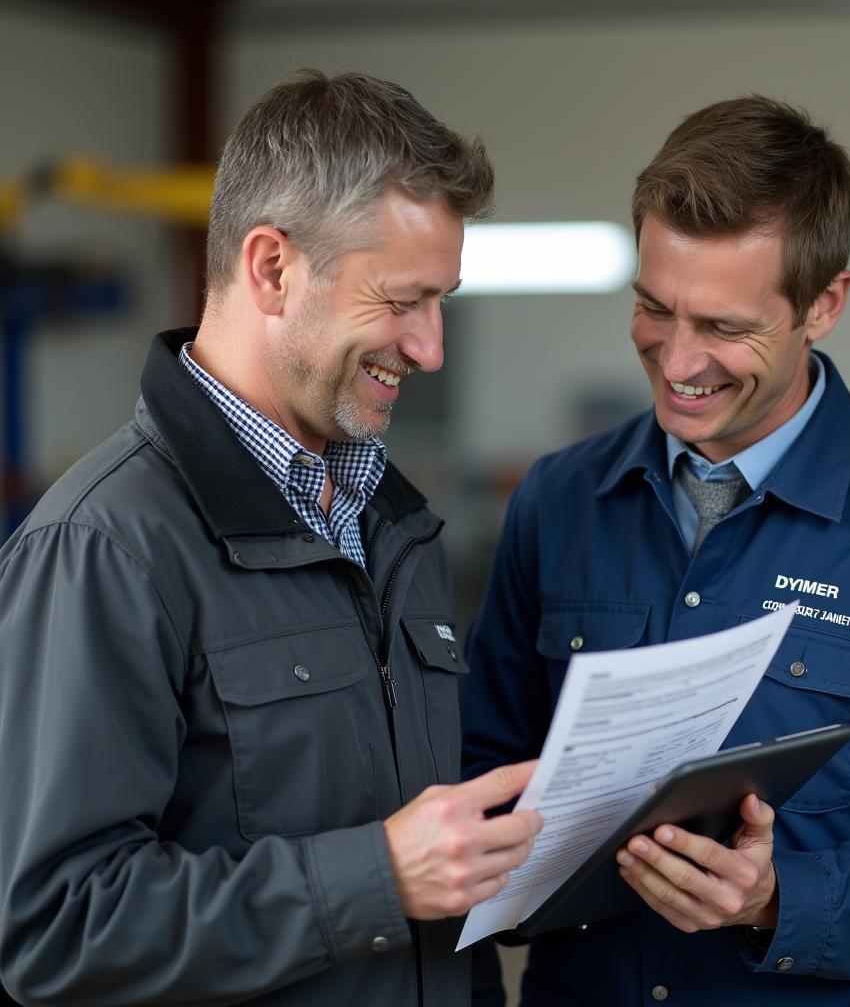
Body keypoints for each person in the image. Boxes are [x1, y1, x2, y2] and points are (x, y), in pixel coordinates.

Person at [462, 95, 850, 1007]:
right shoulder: (557, 501)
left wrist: (777, 899)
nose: (679, 362)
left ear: (824, 303)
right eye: (654, 308)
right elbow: (485, 769)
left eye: (725, 328)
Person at [0, 69, 542, 1007]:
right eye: (402, 300)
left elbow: (442, 897)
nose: (430, 347)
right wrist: (376, 876)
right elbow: (55, 926)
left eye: (441, 301)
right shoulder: (104, 549)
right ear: (272, 268)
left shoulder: (393, 528)